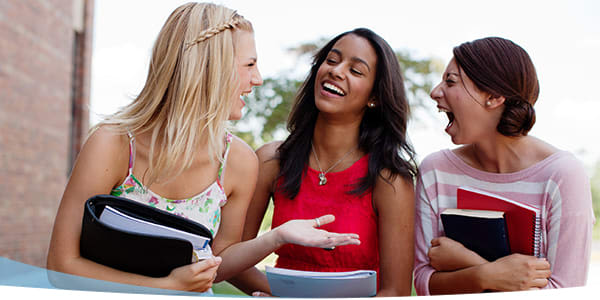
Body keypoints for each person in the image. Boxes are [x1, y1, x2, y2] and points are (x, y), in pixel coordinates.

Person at [47, 2, 359, 293]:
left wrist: (276, 237)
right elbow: (61, 267)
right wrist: (167, 286)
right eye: (249, 64)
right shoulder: (112, 144)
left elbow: (218, 262)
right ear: (212, 68)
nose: (258, 78)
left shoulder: (237, 161)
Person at [228, 28, 418, 297]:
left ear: (374, 97)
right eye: (331, 60)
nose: (337, 71)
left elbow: (395, 291)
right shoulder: (271, 160)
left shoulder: (390, 179)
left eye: (356, 70)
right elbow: (229, 257)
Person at [413, 37, 595, 295]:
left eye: (451, 81)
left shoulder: (562, 175)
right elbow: (424, 284)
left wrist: (473, 266)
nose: (435, 92)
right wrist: (485, 275)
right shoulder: (435, 172)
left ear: (494, 96)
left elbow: (565, 293)